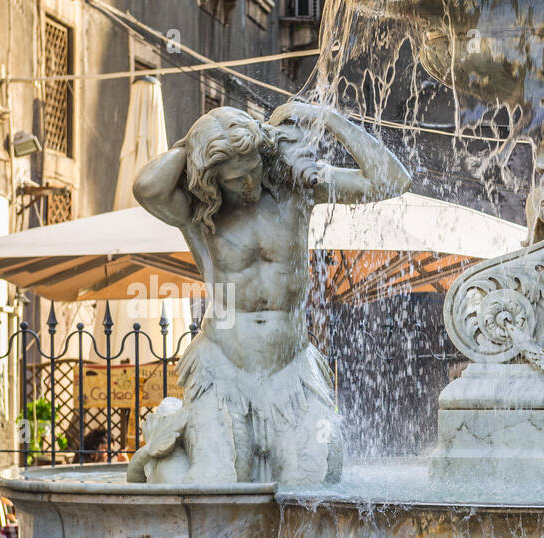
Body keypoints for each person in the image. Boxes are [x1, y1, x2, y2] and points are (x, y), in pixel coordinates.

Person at [130, 102, 413, 484]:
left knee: (312, 479)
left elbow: (392, 181)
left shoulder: (298, 187)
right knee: (219, 480)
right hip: (223, 367)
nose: (248, 185)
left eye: (252, 170)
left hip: (291, 369)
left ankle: (166, 444)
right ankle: (160, 451)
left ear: (265, 154)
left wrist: (327, 118)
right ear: (211, 178)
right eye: (234, 179)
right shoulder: (198, 211)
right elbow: (146, 188)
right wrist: (195, 142)